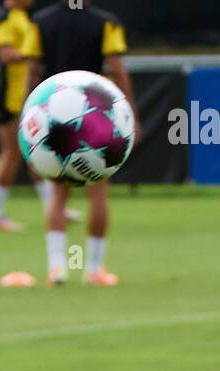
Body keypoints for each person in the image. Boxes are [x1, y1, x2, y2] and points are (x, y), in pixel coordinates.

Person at [22, 0, 139, 286]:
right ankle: (95, 269)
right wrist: (130, 114)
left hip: (53, 119)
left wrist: (27, 115)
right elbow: (116, 68)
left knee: (58, 194)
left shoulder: (40, 21)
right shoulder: (105, 21)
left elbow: (32, 70)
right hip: (92, 117)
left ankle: (57, 268)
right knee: (98, 193)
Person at [0, 0, 81, 231]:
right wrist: (36, 54)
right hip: (8, 97)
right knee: (12, 153)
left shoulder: (24, 16)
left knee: (36, 152)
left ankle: (53, 208)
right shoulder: (5, 15)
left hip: (24, 98)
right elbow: (5, 54)